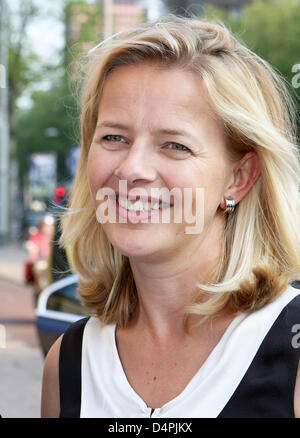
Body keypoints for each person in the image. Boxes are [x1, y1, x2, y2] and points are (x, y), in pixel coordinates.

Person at [41, 15, 300, 418]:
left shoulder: (292, 352)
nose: (131, 169)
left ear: (239, 177)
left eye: (175, 145)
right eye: (114, 137)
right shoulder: (68, 362)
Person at [25, 214, 54, 301]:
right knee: (37, 268)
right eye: (46, 226)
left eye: (50, 226)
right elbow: (32, 253)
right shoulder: (36, 237)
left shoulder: (56, 238)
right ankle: (39, 290)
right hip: (42, 262)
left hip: (53, 263)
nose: (48, 228)